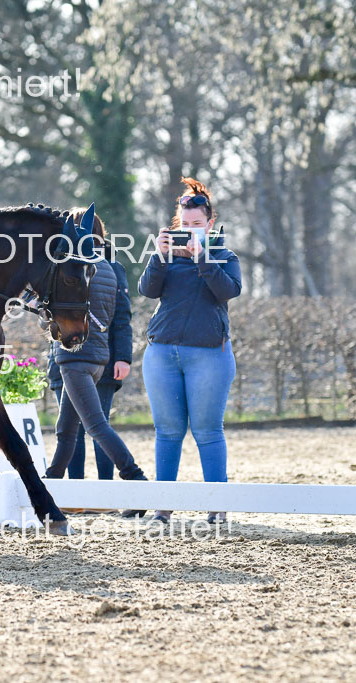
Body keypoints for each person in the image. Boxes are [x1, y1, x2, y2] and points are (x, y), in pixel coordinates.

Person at [136, 177, 241, 524]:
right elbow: (148, 290)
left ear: (209, 224)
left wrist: (204, 260)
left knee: (208, 431)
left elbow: (226, 292)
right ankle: (163, 507)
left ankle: (218, 506)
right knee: (167, 431)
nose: (191, 231)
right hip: (162, 353)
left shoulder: (225, 256)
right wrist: (159, 256)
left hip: (210, 355)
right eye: (186, 225)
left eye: (198, 225)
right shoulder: (166, 255)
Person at [44, 208, 147, 487]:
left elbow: (58, 308)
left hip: (75, 355)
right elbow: (116, 316)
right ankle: (50, 483)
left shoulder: (72, 267)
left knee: (95, 426)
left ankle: (135, 477)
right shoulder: (109, 267)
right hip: (97, 356)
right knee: (66, 430)